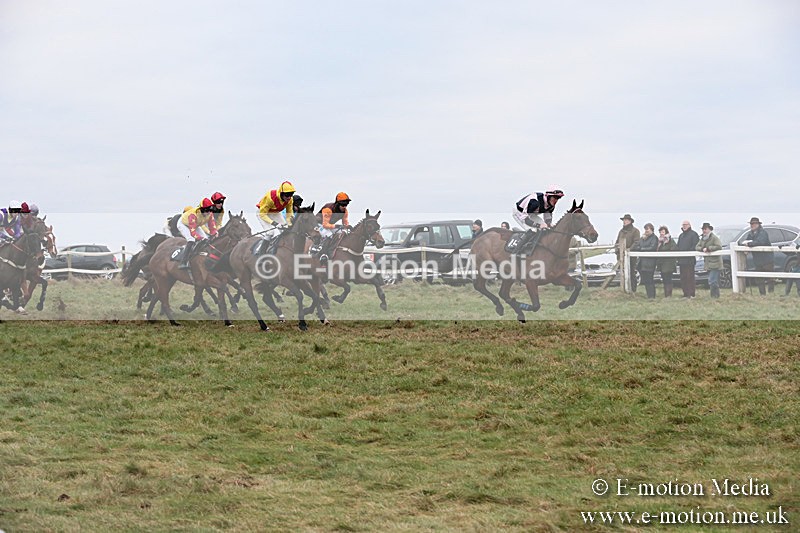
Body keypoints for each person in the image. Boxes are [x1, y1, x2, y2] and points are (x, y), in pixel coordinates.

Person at [512, 186, 564, 253]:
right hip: (519, 213)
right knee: (531, 230)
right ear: (548, 196)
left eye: (558, 198)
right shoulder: (535, 202)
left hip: (530, 214)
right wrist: (538, 225)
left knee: (545, 228)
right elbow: (526, 219)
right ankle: (515, 252)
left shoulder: (551, 206)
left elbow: (547, 219)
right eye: (554, 197)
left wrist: (550, 225)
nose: (556, 200)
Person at [177, 198, 218, 269]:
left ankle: (198, 255)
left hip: (195, 224)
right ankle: (183, 262)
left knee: (206, 239)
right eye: (207, 210)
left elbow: (212, 226)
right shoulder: (193, 215)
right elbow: (193, 233)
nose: (208, 212)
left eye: (210, 209)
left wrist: (215, 233)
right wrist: (200, 238)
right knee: (191, 239)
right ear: (202, 209)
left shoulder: (210, 214)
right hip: (183, 224)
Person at [313, 192, 351, 263]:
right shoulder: (328, 209)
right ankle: (323, 254)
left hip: (328, 225)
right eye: (343, 205)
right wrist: (336, 226)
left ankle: (332, 251)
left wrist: (348, 227)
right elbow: (325, 225)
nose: (344, 207)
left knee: (340, 233)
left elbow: (345, 222)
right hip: (318, 224)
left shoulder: (345, 211)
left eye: (346, 204)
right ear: (337, 204)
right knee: (329, 234)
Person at [741, 217, 774, 295]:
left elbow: (761, 242)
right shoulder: (751, 234)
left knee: (770, 277)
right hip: (758, 260)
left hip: (767, 259)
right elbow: (746, 241)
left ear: (758, 224)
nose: (752, 225)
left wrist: (749, 244)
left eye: (753, 224)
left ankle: (771, 293)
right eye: (751, 224)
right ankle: (762, 294)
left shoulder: (763, 233)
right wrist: (745, 246)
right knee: (759, 278)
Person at [631, 223, 658, 299]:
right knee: (645, 280)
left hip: (650, 262)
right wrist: (641, 248)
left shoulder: (654, 238)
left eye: (647, 229)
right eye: (645, 229)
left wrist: (642, 249)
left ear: (651, 230)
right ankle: (649, 295)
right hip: (642, 262)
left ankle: (652, 296)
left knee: (650, 279)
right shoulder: (642, 238)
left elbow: (652, 248)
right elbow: (637, 246)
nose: (646, 231)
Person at [696, 222, 722, 298]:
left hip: (715, 263)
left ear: (709, 229)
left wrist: (709, 248)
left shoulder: (714, 238)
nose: (704, 231)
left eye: (705, 229)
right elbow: (697, 247)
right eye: (703, 229)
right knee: (712, 280)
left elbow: (719, 246)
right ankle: (714, 296)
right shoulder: (702, 238)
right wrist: (702, 249)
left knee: (712, 280)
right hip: (708, 263)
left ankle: (715, 296)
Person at [616, 214, 641, 292]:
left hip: (631, 256)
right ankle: (624, 289)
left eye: (626, 220)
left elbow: (636, 242)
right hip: (621, 256)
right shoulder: (621, 231)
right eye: (624, 220)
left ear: (630, 221)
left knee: (631, 272)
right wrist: (617, 250)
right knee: (622, 273)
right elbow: (617, 242)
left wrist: (628, 250)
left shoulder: (635, 231)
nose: (624, 221)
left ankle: (633, 290)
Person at [676, 220, 700, 298]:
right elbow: (678, 246)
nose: (684, 226)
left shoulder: (694, 234)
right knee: (683, 278)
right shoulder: (681, 236)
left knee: (690, 277)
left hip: (690, 260)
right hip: (681, 261)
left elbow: (695, 245)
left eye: (686, 224)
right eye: (683, 225)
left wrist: (688, 253)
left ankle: (691, 294)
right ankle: (685, 293)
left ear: (689, 225)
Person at [656, 225, 677, 297]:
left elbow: (674, 249)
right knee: (664, 279)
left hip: (669, 263)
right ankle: (666, 294)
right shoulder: (659, 242)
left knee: (668, 279)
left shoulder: (670, 240)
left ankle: (669, 294)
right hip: (662, 263)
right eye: (660, 232)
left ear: (666, 232)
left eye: (663, 232)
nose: (661, 233)